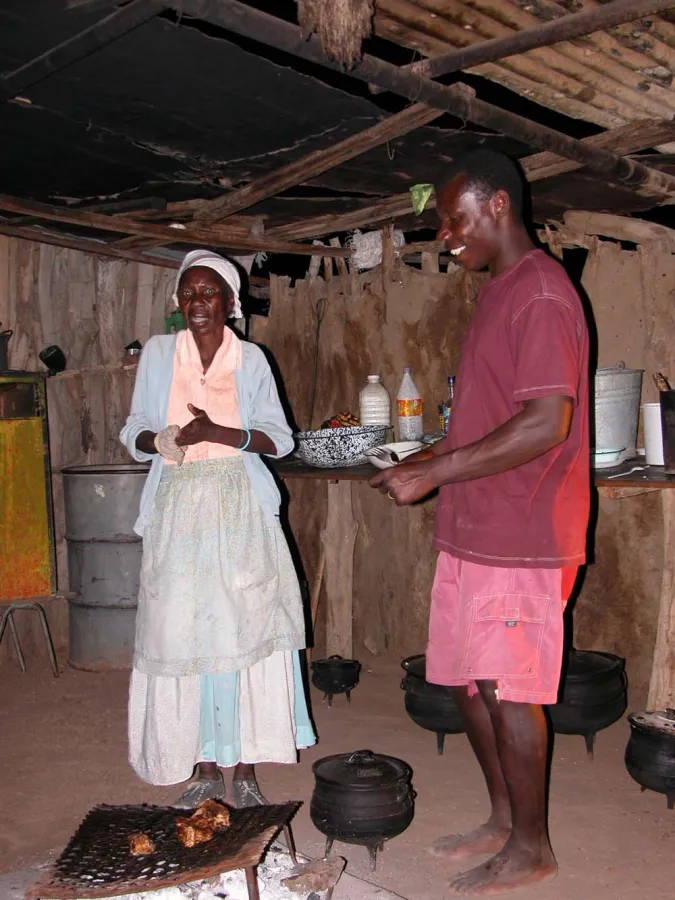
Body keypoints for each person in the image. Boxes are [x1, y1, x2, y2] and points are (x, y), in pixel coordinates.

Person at [370, 149, 589, 895]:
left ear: (497, 205)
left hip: (522, 529)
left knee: (510, 688)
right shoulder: (499, 291)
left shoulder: (541, 294)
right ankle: (501, 820)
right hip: (475, 525)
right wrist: (424, 458)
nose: (445, 236)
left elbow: (545, 423)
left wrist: (435, 473)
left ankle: (532, 846)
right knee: (469, 682)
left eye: (452, 220)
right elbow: (487, 418)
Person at [120, 248, 315, 809]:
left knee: (244, 629)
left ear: (231, 302)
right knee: (181, 630)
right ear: (178, 301)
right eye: (188, 292)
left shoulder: (250, 359)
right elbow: (133, 429)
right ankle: (203, 767)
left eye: (209, 292)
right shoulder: (160, 354)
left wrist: (221, 433)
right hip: (178, 507)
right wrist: (156, 440)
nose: (197, 302)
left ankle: (244, 767)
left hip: (239, 506)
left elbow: (280, 438)